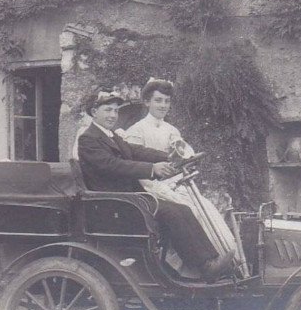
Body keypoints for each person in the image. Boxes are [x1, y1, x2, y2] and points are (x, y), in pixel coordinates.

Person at [77, 90, 234, 282]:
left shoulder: (110, 136)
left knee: (182, 209)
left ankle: (205, 263)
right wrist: (152, 169)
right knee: (172, 212)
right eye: (108, 110)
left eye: (116, 111)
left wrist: (170, 157)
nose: (113, 115)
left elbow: (135, 151)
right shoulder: (88, 138)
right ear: (94, 111)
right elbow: (112, 165)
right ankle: (205, 266)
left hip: (128, 199)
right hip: (114, 202)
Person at [124, 78, 237, 275]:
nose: (163, 106)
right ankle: (199, 268)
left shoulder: (171, 130)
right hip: (151, 187)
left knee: (206, 208)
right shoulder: (135, 131)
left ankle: (227, 261)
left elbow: (183, 154)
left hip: (175, 183)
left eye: (166, 101)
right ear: (147, 102)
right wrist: (163, 184)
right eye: (158, 101)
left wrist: (185, 158)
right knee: (190, 210)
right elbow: (138, 167)